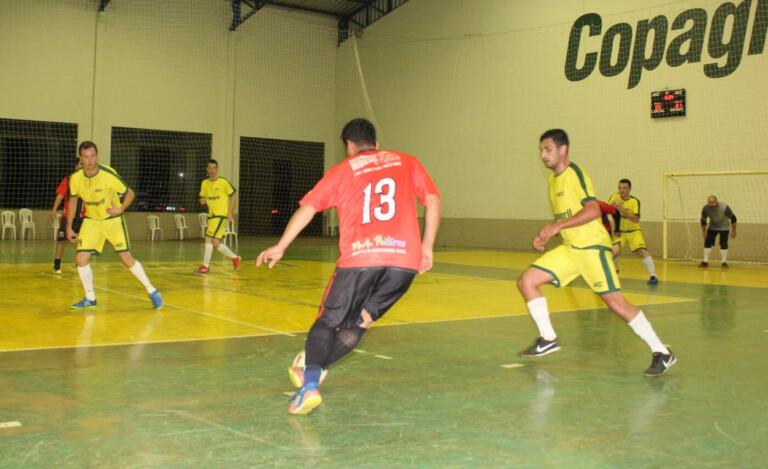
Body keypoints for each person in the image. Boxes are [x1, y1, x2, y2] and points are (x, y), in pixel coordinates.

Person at [256, 118, 442, 415]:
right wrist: (427, 246)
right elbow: (432, 200)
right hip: (403, 262)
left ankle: (310, 385)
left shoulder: (343, 171)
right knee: (362, 321)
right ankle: (313, 369)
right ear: (376, 143)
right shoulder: (407, 161)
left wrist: (281, 245)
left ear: (349, 147)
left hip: (361, 259)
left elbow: (309, 208)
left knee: (328, 322)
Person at [517, 129, 675, 376]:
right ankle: (548, 338)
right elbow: (568, 217)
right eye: (540, 150)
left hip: (592, 248)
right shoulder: (552, 181)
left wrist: (557, 226)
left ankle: (662, 352)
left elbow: (592, 210)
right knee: (527, 281)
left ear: (562, 150)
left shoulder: (575, 174)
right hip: (571, 249)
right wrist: (548, 233)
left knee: (616, 303)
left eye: (547, 149)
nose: (542, 155)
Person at [67, 141, 163, 310]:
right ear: (80, 158)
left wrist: (121, 208)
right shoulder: (75, 179)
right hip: (91, 221)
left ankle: (152, 290)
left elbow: (130, 193)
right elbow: (73, 201)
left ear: (96, 156)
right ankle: (90, 298)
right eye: (85, 157)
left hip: (112, 220)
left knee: (126, 258)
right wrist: (69, 227)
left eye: (92, 156)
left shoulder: (108, 174)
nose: (89, 160)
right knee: (81, 259)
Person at [608, 179, 659, 284]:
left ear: (630, 189)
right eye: (620, 188)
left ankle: (653, 276)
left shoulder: (634, 201)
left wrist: (621, 208)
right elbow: (609, 210)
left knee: (642, 251)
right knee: (613, 252)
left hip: (634, 231)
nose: (622, 190)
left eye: (625, 188)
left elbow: (635, 219)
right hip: (620, 232)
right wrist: (613, 205)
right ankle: (615, 270)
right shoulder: (614, 197)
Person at [197, 159, 240, 273]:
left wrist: (230, 212)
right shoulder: (204, 183)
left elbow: (234, 196)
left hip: (220, 216)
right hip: (211, 216)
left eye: (214, 168)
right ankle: (235, 258)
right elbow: (201, 200)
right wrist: (203, 200)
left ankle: (205, 266)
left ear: (217, 169)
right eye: (210, 168)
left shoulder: (223, 182)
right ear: (207, 169)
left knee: (208, 238)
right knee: (215, 243)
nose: (212, 170)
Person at [51, 158, 85, 274]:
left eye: (83, 164)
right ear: (76, 166)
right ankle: (57, 266)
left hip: (82, 217)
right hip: (67, 216)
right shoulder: (69, 179)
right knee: (61, 242)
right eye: (80, 164)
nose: (82, 166)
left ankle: (79, 265)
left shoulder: (89, 181)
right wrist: (54, 210)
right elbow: (60, 196)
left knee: (81, 242)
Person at [699, 195, 737, 268]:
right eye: (709, 202)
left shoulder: (724, 207)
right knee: (707, 242)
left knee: (723, 242)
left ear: (717, 201)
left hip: (724, 227)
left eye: (713, 202)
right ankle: (705, 261)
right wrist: (704, 232)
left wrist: (734, 231)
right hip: (712, 227)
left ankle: (724, 262)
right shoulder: (705, 208)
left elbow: (734, 218)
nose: (711, 204)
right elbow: (703, 221)